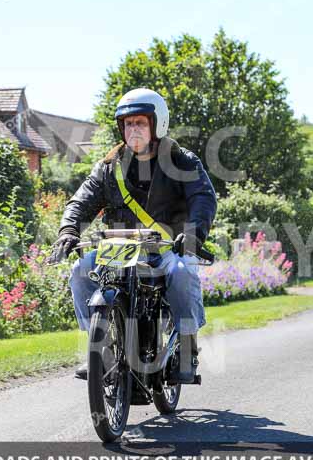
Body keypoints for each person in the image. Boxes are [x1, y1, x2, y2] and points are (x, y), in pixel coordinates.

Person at [47, 88, 217, 383]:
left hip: (167, 248)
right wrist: (68, 231)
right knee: (79, 271)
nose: (133, 129)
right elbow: (81, 202)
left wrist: (192, 234)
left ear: (156, 124)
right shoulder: (108, 166)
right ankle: (98, 349)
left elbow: (203, 198)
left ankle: (187, 345)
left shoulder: (182, 161)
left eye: (139, 122)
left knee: (182, 273)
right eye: (127, 123)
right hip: (119, 249)